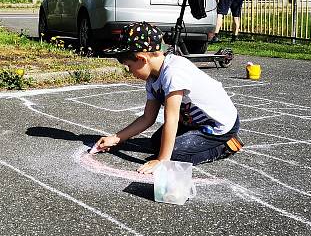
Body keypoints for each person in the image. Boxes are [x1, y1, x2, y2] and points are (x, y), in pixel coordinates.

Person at [95, 22, 243, 173]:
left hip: (218, 126)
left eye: (128, 66)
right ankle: (183, 145)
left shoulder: (173, 72)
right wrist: (116, 138)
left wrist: (162, 160)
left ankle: (225, 146)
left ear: (142, 59)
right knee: (157, 143)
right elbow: (147, 118)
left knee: (174, 155)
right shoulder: (152, 79)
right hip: (192, 122)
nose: (129, 72)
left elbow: (171, 119)